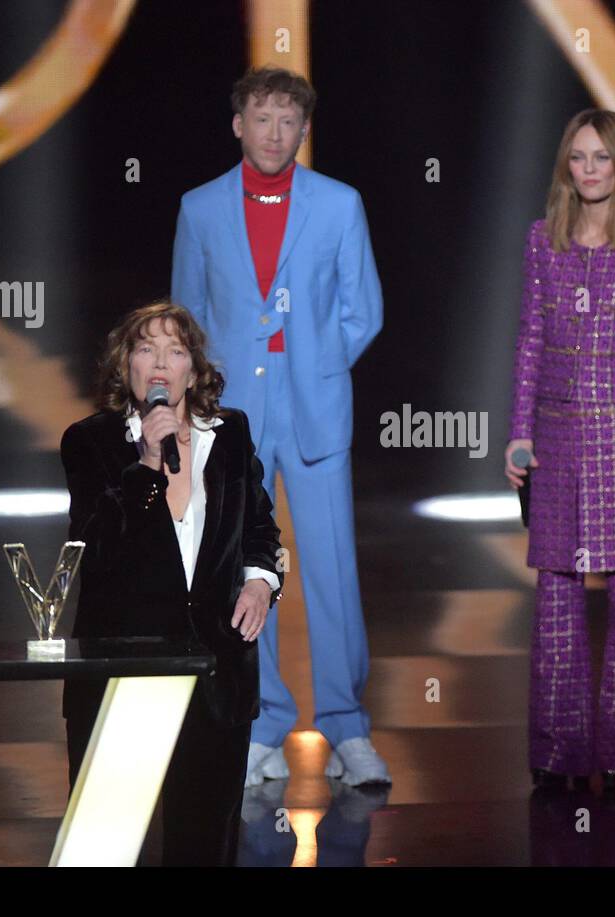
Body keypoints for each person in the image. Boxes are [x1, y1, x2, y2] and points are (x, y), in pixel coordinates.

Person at [171, 66, 388, 787]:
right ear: (239, 124)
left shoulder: (338, 204)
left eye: (288, 120)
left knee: (330, 570)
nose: (273, 132)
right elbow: (186, 318)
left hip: (315, 408)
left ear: (303, 129)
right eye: (261, 118)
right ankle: (263, 722)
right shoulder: (200, 209)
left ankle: (346, 729)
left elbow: (365, 311)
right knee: (240, 571)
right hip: (234, 415)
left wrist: (319, 365)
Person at [61, 301, 284, 866]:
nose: (160, 361)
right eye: (145, 348)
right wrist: (147, 466)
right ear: (125, 367)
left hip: (215, 673)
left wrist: (260, 583)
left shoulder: (229, 433)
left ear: (193, 370)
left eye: (175, 350)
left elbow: (260, 525)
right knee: (103, 848)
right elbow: (96, 547)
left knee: (205, 847)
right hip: (121, 674)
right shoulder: (90, 442)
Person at [506, 108, 615, 794]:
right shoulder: (542, 240)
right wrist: (518, 430)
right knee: (555, 599)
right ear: (565, 168)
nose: (588, 169)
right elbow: (529, 339)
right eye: (578, 157)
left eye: (601, 157)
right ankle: (558, 757)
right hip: (555, 439)